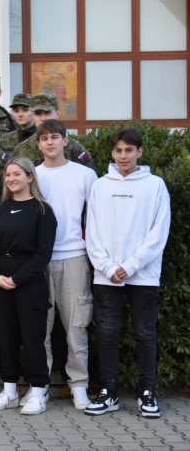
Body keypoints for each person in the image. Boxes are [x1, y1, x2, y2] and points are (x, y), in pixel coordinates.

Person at [84, 129, 170, 419]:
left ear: (140, 152)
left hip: (143, 276)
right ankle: (109, 394)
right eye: (119, 150)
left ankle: (147, 393)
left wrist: (131, 266)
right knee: (107, 334)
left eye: (129, 150)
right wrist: (108, 267)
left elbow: (159, 234)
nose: (124, 156)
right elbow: (91, 232)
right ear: (112, 153)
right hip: (106, 276)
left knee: (145, 334)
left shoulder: (155, 186)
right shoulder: (99, 185)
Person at [0, 157, 57, 416]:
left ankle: (38, 391)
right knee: (5, 336)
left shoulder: (43, 211)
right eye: (8, 175)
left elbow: (42, 254)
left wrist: (17, 278)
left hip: (29, 282)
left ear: (30, 177)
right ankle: (10, 390)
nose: (11, 179)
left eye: (17, 174)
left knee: (32, 337)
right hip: (0, 282)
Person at [35, 120, 97, 411]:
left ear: (65, 141)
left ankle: (79, 385)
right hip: (40, 260)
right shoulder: (32, 176)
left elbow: (96, 219)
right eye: (44, 138)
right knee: (40, 329)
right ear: (38, 144)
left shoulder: (85, 175)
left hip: (74, 257)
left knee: (76, 327)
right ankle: (40, 386)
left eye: (55, 137)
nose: (50, 143)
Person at [12, 93, 94, 169]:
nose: (42, 118)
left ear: (57, 113)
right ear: (33, 115)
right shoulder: (21, 149)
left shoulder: (74, 148)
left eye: (47, 112)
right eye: (38, 113)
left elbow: (86, 175)